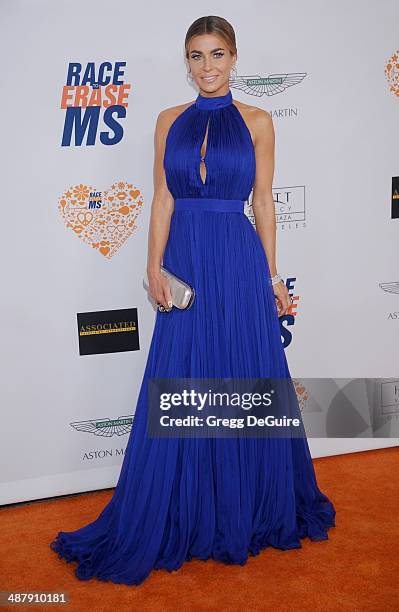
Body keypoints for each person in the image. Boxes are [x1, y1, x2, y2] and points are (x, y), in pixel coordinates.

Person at [50, 15, 335, 586]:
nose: (208, 67)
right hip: (184, 262)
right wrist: (153, 267)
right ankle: (186, 504)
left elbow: (265, 203)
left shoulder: (258, 120)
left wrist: (272, 275)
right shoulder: (166, 122)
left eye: (218, 54)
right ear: (187, 62)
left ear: (235, 58)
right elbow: (161, 201)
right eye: (197, 56)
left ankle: (244, 504)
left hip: (237, 260)